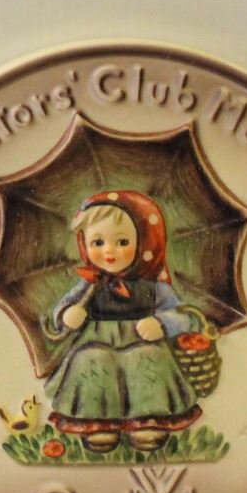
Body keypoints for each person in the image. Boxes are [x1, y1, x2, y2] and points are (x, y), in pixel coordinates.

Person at [41, 190, 205, 453]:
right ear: (84, 244)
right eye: (98, 242)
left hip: (142, 342)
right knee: (91, 361)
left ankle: (148, 420)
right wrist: (68, 315)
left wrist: (163, 323)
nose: (109, 251)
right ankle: (99, 423)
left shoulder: (153, 285)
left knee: (149, 358)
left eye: (122, 241)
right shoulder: (88, 284)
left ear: (143, 243)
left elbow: (185, 316)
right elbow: (61, 310)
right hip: (96, 343)